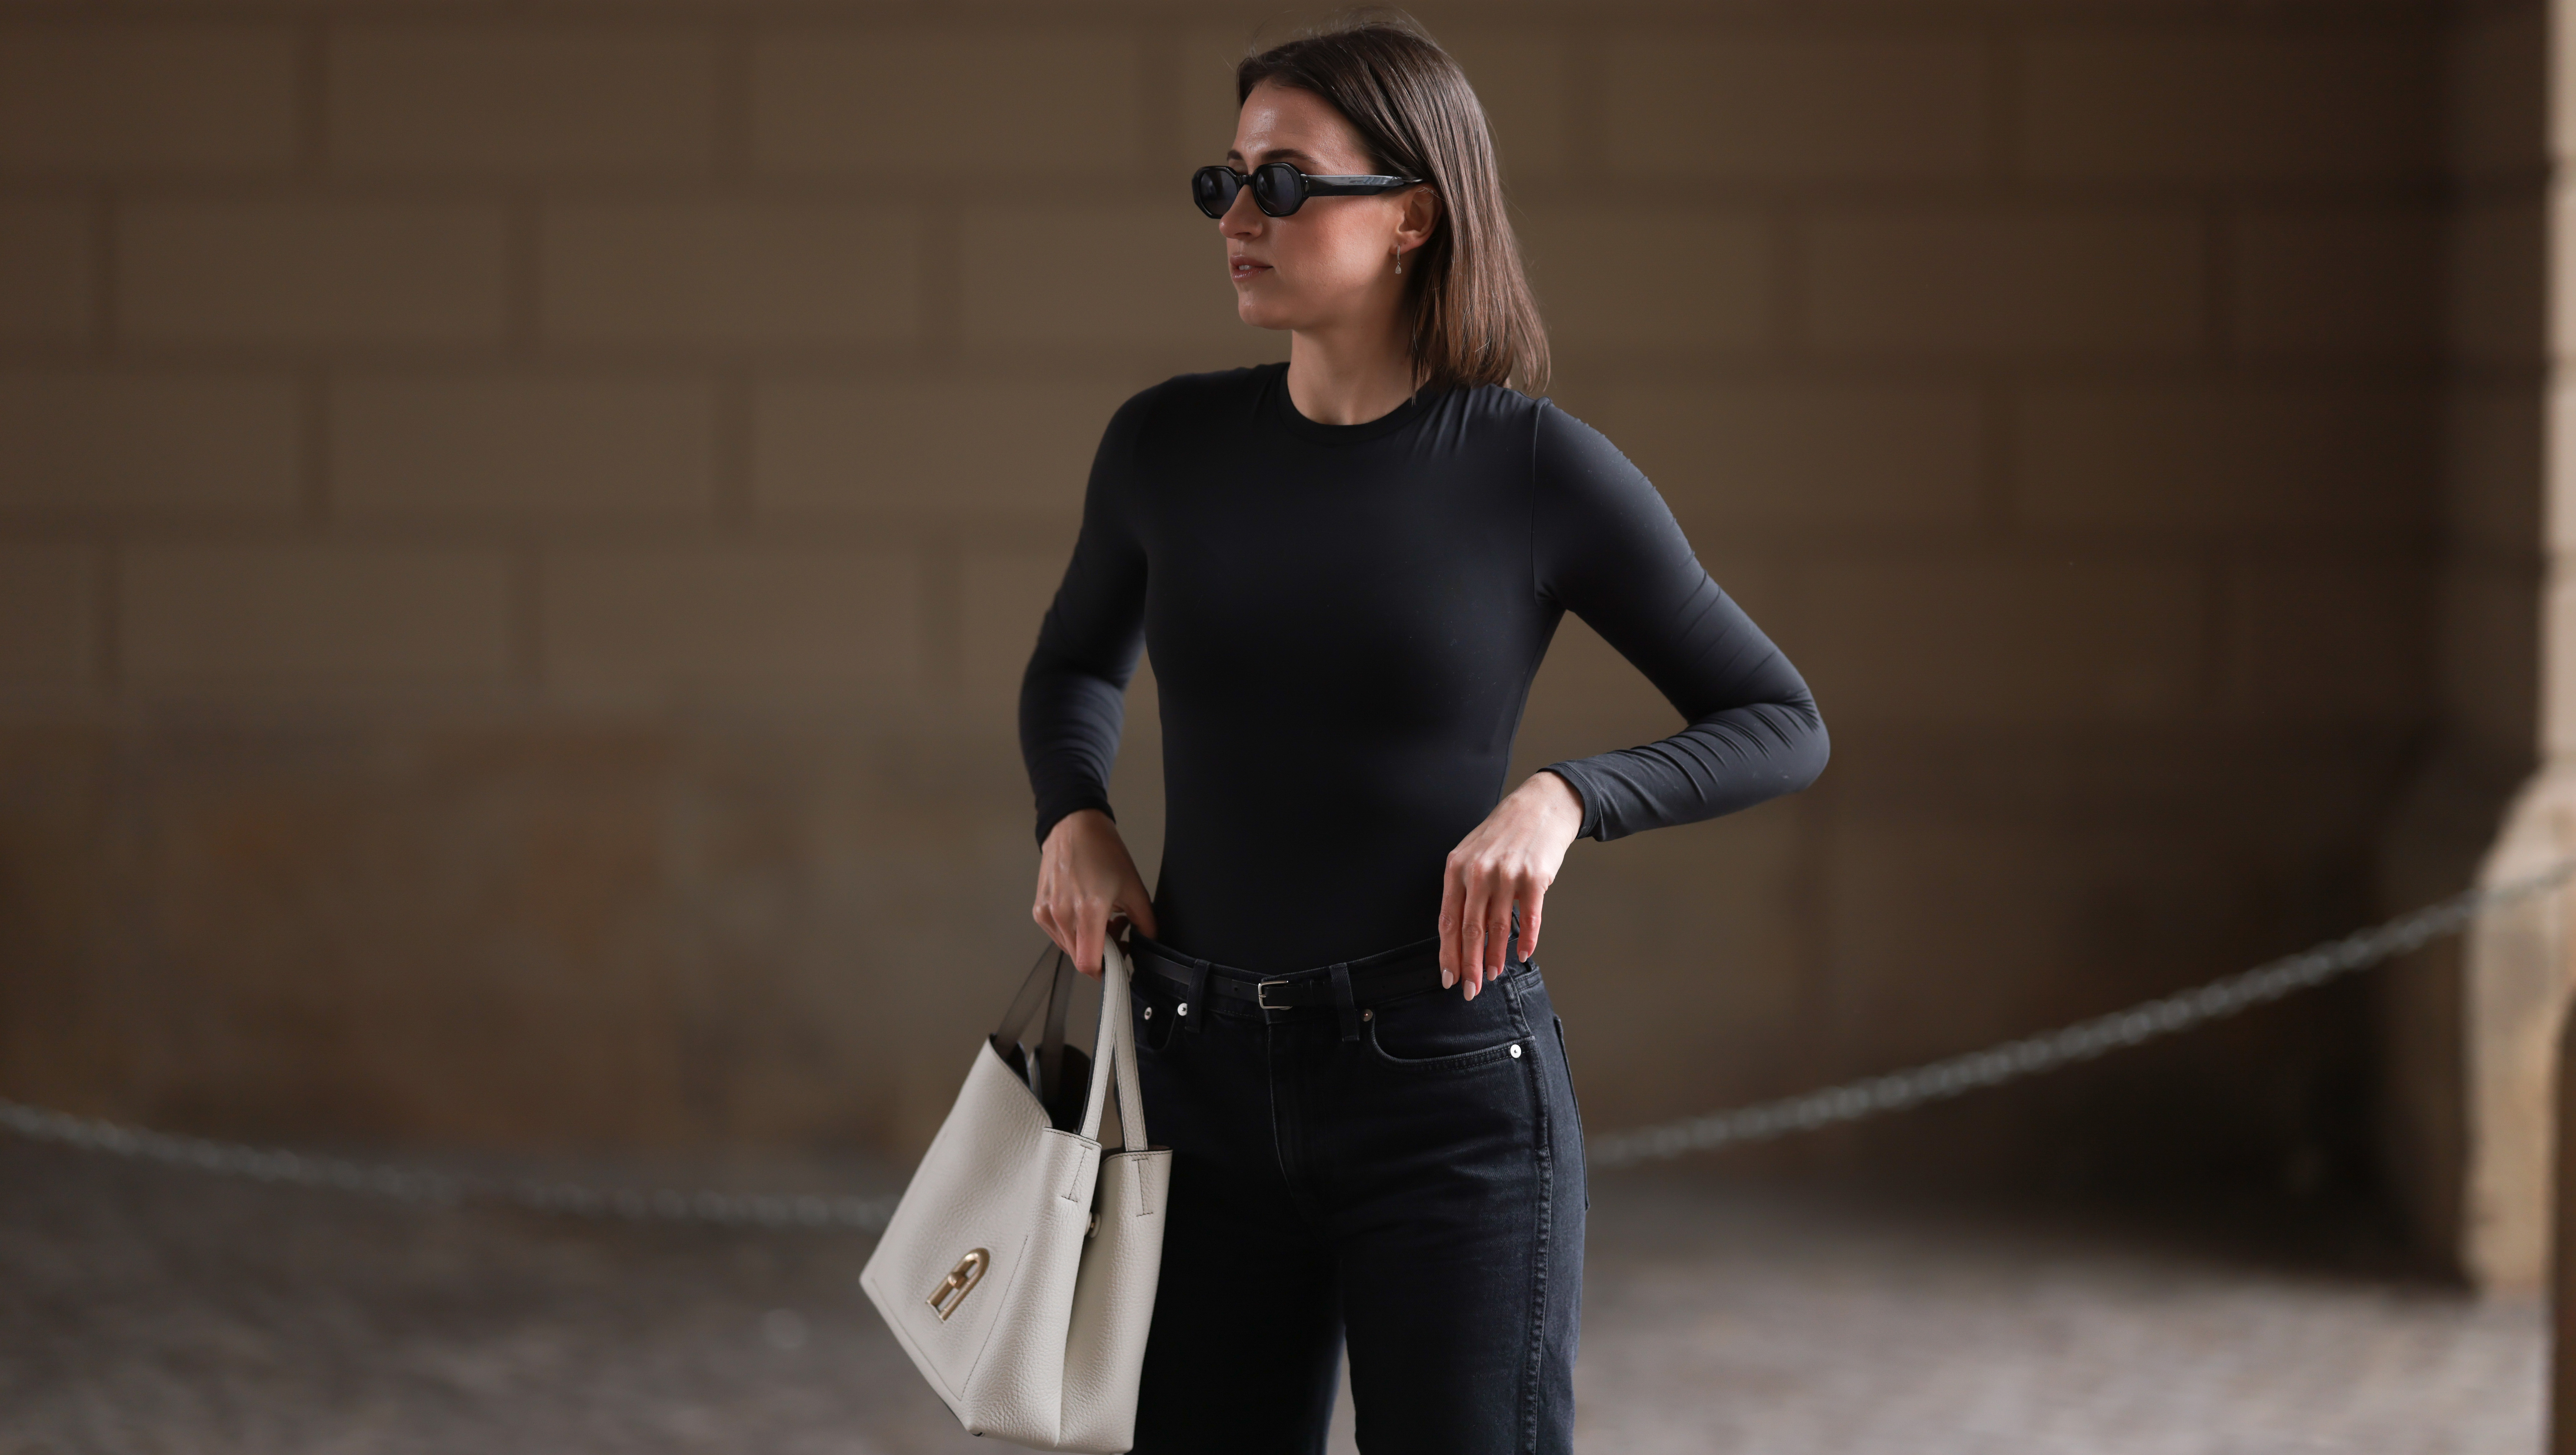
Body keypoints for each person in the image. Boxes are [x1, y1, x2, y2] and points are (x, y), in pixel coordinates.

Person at [1019, 17, 1828, 1453]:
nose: (1239, 219)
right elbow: (1075, 664)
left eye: (1284, 184)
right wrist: (1073, 812)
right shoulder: (1163, 447)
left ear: (1411, 215)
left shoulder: (1532, 468)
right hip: (1193, 1081)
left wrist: (1569, 796)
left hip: (1444, 1095)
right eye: (1226, 182)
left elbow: (1780, 719)